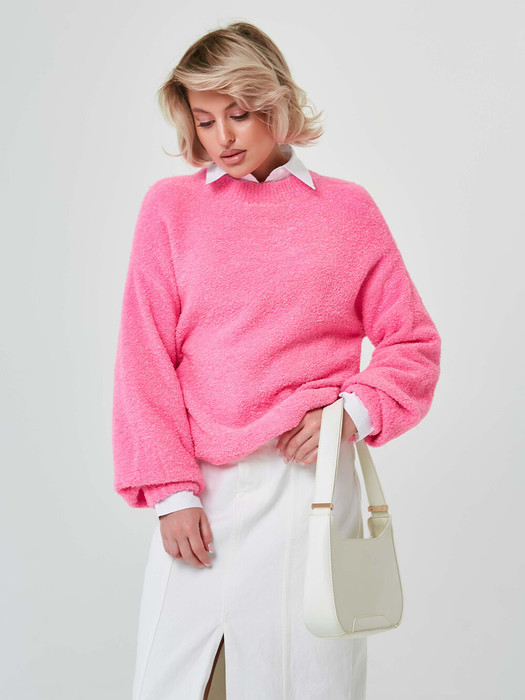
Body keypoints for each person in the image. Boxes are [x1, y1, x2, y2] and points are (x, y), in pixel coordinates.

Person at [112, 21, 442, 700]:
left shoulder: (347, 211)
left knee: (302, 681)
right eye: (204, 120)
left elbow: (412, 343)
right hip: (201, 490)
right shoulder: (170, 209)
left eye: (238, 114)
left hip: (307, 489)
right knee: (183, 680)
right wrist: (171, 492)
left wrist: (350, 413)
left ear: (276, 102)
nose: (222, 138)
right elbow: (144, 356)